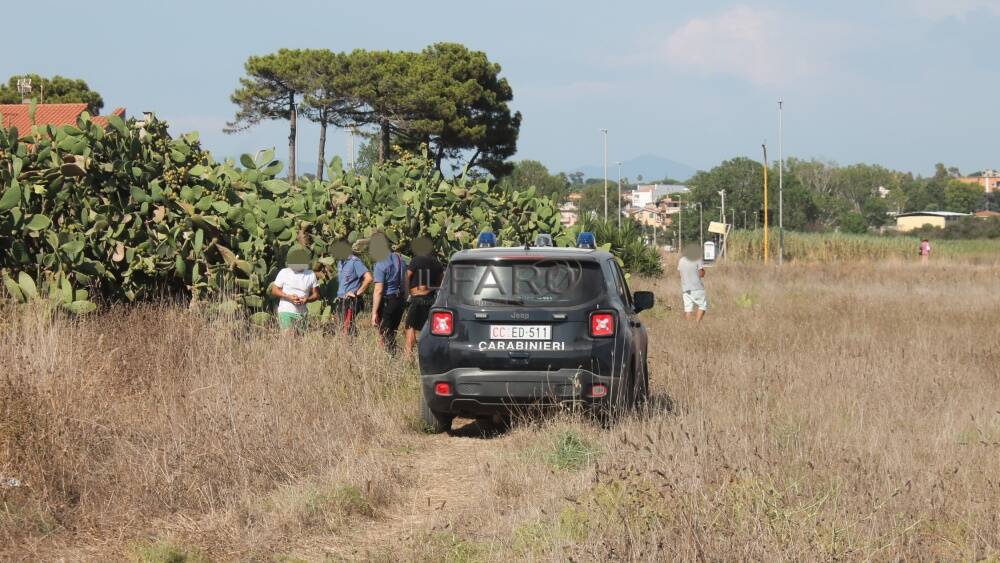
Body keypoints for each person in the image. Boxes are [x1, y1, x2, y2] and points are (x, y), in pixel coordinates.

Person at [404, 237, 444, 358]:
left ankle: (408, 356)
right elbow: (440, 284)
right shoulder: (437, 263)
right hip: (431, 300)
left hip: (417, 299)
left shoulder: (416, 260)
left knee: (410, 326)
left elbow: (406, 277)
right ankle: (429, 355)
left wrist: (407, 294)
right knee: (428, 329)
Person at [369, 233, 408, 354]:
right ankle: (392, 356)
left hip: (388, 301)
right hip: (400, 300)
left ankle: (390, 359)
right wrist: (404, 300)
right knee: (392, 332)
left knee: (385, 334)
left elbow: (378, 290)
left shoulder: (380, 263)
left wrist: (374, 312)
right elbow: (406, 282)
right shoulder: (399, 259)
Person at [271, 247, 320, 334]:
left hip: (302, 313)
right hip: (285, 311)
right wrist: (288, 296)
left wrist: (307, 299)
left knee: (299, 341)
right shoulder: (284, 272)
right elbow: (274, 290)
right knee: (288, 337)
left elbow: (316, 294)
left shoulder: (311, 274)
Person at [335, 239, 372, 336]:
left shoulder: (355, 262)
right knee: (343, 327)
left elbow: (368, 278)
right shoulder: (340, 263)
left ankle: (347, 348)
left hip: (351, 300)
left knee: (345, 330)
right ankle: (353, 347)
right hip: (341, 300)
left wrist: (357, 293)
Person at [677, 244, 708, 322]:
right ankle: (697, 324)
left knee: (688, 308)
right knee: (702, 305)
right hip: (697, 287)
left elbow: (680, 274)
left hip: (685, 289)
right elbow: (701, 274)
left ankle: (689, 327)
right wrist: (703, 271)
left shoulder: (681, 260)